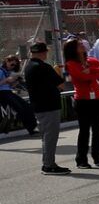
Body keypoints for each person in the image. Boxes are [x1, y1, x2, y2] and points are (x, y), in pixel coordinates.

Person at [64, 37, 99, 168]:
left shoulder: (91, 61)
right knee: (84, 130)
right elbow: (82, 77)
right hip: (83, 100)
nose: (82, 46)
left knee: (98, 130)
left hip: (97, 98)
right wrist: (96, 74)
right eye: (79, 44)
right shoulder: (71, 64)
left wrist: (92, 70)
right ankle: (81, 159)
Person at [23, 41, 67, 174]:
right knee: (51, 136)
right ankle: (49, 165)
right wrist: (58, 72)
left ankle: (47, 163)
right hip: (49, 105)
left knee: (46, 136)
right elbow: (61, 85)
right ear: (43, 53)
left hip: (38, 105)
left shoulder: (29, 66)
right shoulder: (44, 67)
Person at [0, 51, 37, 136]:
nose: (12, 67)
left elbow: (10, 86)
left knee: (26, 106)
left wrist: (15, 82)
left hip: (8, 92)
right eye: (11, 64)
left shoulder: (9, 72)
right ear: (6, 62)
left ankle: (32, 127)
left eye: (15, 65)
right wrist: (6, 80)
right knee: (19, 108)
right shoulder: (1, 71)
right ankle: (30, 128)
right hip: (2, 93)